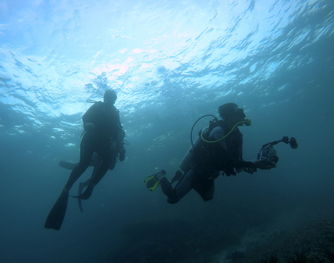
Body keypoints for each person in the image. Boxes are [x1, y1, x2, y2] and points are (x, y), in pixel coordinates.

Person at [145, 103, 272, 204]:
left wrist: (248, 166)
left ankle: (184, 181)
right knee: (172, 199)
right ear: (228, 116)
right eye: (238, 112)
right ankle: (160, 176)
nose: (242, 114)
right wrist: (251, 164)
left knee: (208, 197)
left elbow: (237, 161)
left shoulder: (237, 135)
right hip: (198, 169)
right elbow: (222, 160)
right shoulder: (218, 132)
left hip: (210, 173)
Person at [45, 89, 126, 230]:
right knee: (83, 164)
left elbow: (119, 130)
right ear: (105, 97)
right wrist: (88, 125)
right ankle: (68, 187)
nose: (110, 99)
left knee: (106, 163)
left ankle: (91, 185)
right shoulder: (97, 106)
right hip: (91, 139)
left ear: (114, 99)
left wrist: (120, 147)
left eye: (113, 97)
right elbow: (86, 118)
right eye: (109, 97)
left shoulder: (115, 112)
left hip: (104, 144)